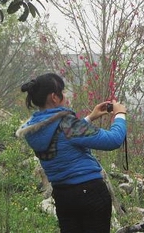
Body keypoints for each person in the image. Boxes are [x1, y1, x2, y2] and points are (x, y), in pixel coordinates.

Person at [16, 73, 127, 233]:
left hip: (62, 196)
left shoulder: (33, 130)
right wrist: (120, 114)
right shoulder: (67, 124)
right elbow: (114, 140)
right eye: (63, 91)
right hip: (90, 194)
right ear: (54, 97)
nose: (65, 94)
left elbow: (61, 138)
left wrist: (89, 118)